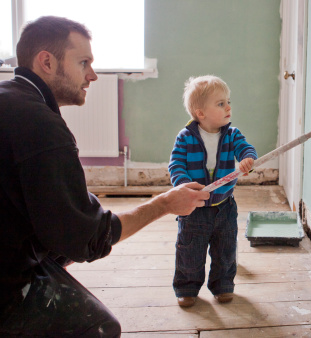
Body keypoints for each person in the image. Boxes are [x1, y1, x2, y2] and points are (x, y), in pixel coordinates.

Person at [0, 16, 209, 337]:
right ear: (46, 61)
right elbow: (89, 238)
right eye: (83, 62)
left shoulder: (9, 98)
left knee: (58, 247)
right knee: (99, 328)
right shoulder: (41, 126)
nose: (93, 75)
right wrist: (166, 204)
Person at [168, 75, 257, 307]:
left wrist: (247, 159)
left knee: (225, 250)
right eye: (220, 104)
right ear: (201, 113)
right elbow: (176, 165)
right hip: (194, 208)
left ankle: (223, 285)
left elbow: (245, 148)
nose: (228, 107)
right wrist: (185, 184)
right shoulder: (185, 138)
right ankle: (187, 288)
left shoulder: (232, 135)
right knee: (190, 250)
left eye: (228, 101)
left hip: (224, 206)